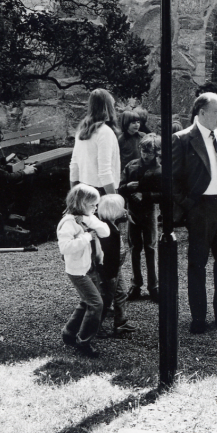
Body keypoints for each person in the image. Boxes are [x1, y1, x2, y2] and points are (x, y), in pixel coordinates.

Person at [172, 92, 217, 334]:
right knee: (198, 264)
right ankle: (199, 318)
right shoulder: (182, 139)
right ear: (201, 113)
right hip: (201, 209)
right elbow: (172, 180)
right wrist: (190, 205)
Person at [57, 184, 109, 357]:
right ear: (81, 203)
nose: (95, 208)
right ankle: (83, 342)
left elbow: (105, 231)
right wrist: (87, 236)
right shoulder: (68, 223)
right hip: (78, 270)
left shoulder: (87, 217)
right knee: (96, 303)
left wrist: (89, 221)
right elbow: (65, 247)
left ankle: (69, 333)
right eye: (92, 205)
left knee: (86, 302)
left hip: (89, 267)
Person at [119, 133, 161, 302]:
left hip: (150, 212)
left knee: (151, 248)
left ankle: (154, 287)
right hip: (133, 212)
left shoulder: (161, 170)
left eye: (149, 152)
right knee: (135, 248)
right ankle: (136, 285)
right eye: (143, 151)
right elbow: (120, 188)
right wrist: (128, 187)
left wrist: (146, 195)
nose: (145, 155)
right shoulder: (131, 166)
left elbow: (165, 194)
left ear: (156, 152)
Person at [94, 193, 136, 337]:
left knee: (122, 293)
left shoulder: (111, 224)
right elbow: (106, 256)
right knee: (106, 298)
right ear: (113, 211)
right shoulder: (106, 230)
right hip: (110, 271)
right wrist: (108, 275)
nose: (125, 211)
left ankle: (121, 322)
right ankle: (95, 326)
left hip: (116, 268)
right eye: (121, 208)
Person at [69, 89, 121, 196]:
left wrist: (73, 196)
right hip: (102, 192)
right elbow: (105, 171)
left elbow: (74, 166)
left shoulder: (82, 130)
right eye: (112, 105)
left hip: (84, 191)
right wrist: (114, 200)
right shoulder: (105, 132)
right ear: (107, 107)